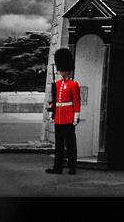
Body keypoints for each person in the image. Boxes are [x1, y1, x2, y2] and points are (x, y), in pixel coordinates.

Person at [45, 47, 81, 175]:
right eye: (61, 70)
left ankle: (72, 167)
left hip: (69, 116)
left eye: (64, 70)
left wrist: (76, 116)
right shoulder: (57, 84)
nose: (62, 72)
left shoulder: (74, 84)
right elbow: (53, 100)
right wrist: (51, 113)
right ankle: (57, 167)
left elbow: (76, 101)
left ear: (68, 70)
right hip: (59, 117)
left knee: (70, 144)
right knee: (59, 144)